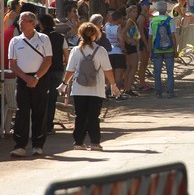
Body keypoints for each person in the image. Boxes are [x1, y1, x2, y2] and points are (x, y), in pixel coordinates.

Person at [61, 22, 121, 150]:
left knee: (80, 115)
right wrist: (113, 85)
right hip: (96, 89)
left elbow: (70, 70)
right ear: (95, 35)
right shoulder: (101, 50)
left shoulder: (76, 50)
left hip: (78, 88)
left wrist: (64, 83)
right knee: (93, 116)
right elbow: (108, 70)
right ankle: (95, 142)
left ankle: (78, 142)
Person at [8, 11, 53, 157]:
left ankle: (38, 145)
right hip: (22, 80)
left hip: (40, 79)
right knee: (21, 112)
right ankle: (20, 145)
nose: (20, 23)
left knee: (40, 112)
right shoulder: (15, 41)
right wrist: (26, 78)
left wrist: (36, 77)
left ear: (32, 23)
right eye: (20, 21)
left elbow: (48, 60)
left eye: (24, 21)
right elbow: (12, 64)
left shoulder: (43, 38)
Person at [38, 13, 69, 134]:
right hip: (57, 69)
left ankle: (41, 124)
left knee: (41, 97)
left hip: (42, 69)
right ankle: (49, 125)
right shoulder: (61, 37)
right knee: (52, 98)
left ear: (42, 24)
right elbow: (67, 55)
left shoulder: (39, 37)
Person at [149, 0, 178, 98]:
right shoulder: (170, 20)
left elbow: (150, 37)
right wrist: (175, 49)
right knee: (170, 72)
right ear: (166, 9)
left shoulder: (153, 21)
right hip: (169, 48)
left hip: (156, 49)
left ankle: (158, 92)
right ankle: (170, 92)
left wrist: (150, 50)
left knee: (157, 72)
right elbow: (173, 36)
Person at [105, 10, 126, 91]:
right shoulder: (118, 28)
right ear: (119, 19)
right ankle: (117, 92)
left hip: (109, 51)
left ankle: (108, 90)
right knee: (118, 76)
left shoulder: (107, 26)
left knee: (109, 73)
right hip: (118, 52)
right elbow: (121, 39)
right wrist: (123, 49)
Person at [122, 4, 141, 95]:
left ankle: (126, 87)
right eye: (133, 12)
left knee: (129, 67)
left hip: (131, 45)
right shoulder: (129, 21)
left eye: (136, 12)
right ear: (129, 13)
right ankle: (128, 88)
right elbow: (123, 33)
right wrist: (129, 41)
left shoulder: (132, 21)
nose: (135, 14)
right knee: (133, 67)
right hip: (130, 46)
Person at [137, 0, 152, 91]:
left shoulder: (145, 16)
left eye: (149, 5)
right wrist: (146, 44)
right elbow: (141, 32)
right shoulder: (141, 18)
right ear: (142, 5)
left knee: (145, 62)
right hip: (143, 41)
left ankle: (143, 82)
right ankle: (141, 83)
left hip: (146, 40)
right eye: (147, 5)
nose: (148, 6)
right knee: (142, 63)